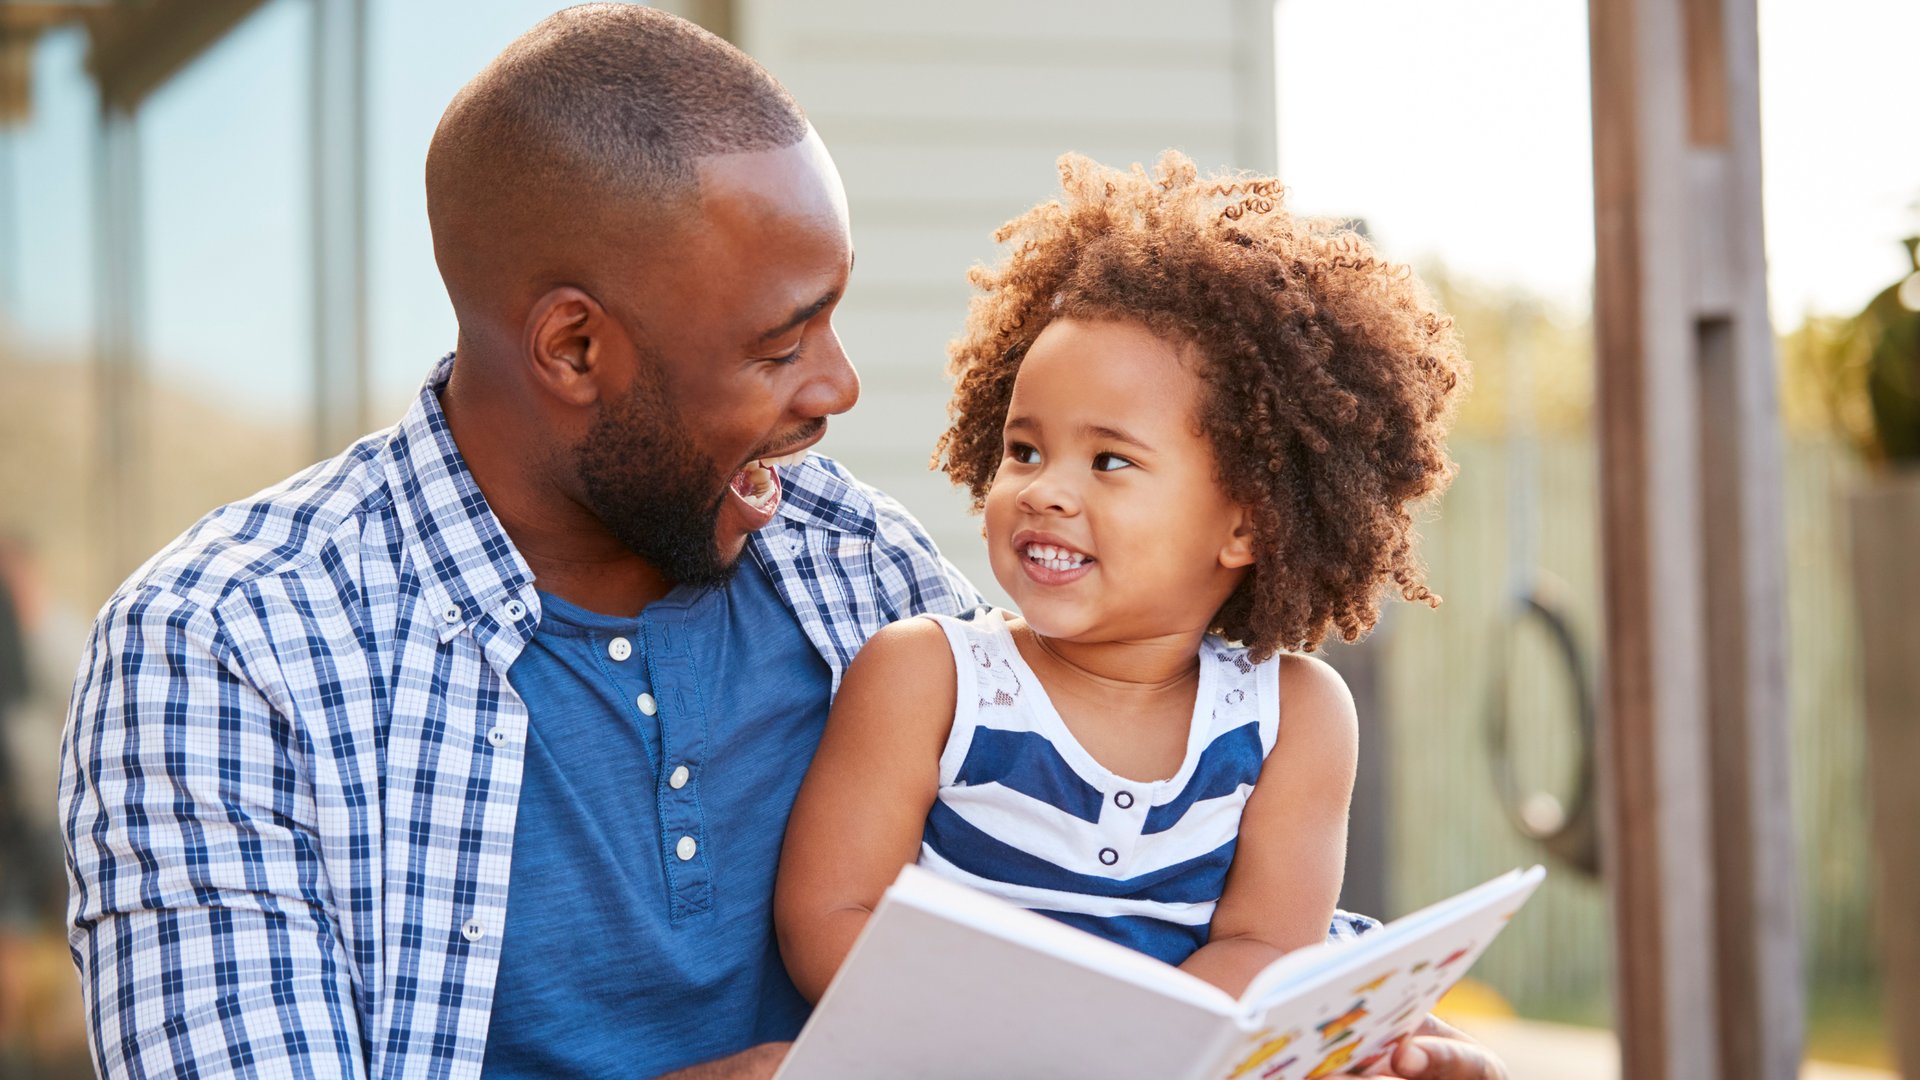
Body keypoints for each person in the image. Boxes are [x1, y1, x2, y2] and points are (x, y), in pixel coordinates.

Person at [59, 7, 1512, 1079]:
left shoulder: (846, 567)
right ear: (576, 346)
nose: (838, 390)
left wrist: (1352, 1026)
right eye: (779, 342)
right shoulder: (227, 649)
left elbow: (1113, 873)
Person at [775, 153, 1461, 1003]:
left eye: (1109, 460)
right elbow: (832, 915)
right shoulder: (929, 678)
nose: (1044, 490)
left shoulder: (1294, 720)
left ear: (1248, 522)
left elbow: (1265, 947)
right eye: (1023, 450)